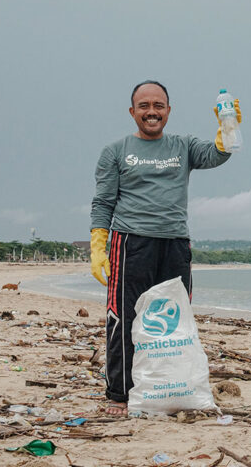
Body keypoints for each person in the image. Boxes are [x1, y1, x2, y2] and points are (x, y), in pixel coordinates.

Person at [89, 80, 241, 416]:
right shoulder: (115, 151)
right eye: (144, 106)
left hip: (175, 243)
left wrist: (227, 130)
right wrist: (98, 244)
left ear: (168, 111)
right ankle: (120, 393)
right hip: (130, 242)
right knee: (124, 317)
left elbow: (217, 155)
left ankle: (171, 388)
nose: (152, 112)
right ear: (132, 112)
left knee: (174, 321)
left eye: (158, 106)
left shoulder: (183, 146)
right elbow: (102, 202)